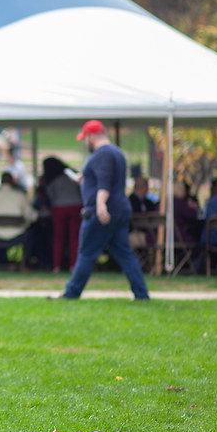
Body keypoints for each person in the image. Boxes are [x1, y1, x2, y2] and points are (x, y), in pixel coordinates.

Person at [59, 120, 149, 300]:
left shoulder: (102, 155)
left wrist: (100, 206)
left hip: (103, 212)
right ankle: (141, 294)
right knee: (124, 253)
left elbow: (104, 183)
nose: (86, 142)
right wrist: (83, 179)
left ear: (92, 136)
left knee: (86, 253)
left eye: (85, 138)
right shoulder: (117, 153)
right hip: (120, 210)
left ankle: (71, 293)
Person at [0, 172, 37, 260]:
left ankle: (0, 260)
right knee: (33, 233)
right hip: (18, 235)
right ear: (13, 182)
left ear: (1, 181)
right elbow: (32, 216)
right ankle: (26, 261)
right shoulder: (20, 196)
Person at [44, 156, 82, 272]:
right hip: (75, 205)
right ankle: (73, 265)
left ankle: (56, 266)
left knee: (58, 237)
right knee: (74, 237)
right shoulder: (71, 178)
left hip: (59, 207)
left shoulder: (53, 181)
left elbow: (50, 196)